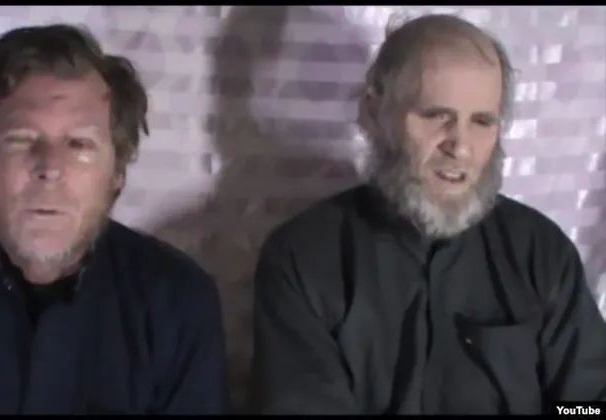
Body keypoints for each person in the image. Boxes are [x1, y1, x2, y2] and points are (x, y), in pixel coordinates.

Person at [0, 24, 229, 415]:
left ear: (117, 173)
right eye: (21, 140)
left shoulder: (177, 302)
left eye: (79, 144)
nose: (50, 168)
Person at [250, 13, 606, 414]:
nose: (461, 147)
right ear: (374, 112)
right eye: (437, 116)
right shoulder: (303, 257)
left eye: (482, 122)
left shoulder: (542, 253)